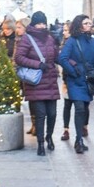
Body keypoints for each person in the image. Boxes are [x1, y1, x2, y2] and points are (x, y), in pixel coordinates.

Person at [59, 14, 94, 153]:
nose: (89, 25)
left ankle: (79, 137)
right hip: (75, 81)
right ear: (79, 25)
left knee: (84, 109)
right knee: (80, 108)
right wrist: (73, 72)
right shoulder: (72, 40)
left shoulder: (92, 41)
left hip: (88, 81)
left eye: (90, 23)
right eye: (86, 23)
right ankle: (78, 140)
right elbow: (62, 58)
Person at [15, 11, 60, 156]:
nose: (42, 26)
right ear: (34, 24)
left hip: (51, 81)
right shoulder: (27, 39)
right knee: (40, 115)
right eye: (39, 23)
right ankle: (40, 143)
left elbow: (57, 57)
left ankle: (49, 137)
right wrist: (37, 64)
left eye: (43, 23)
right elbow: (19, 58)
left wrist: (72, 64)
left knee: (52, 114)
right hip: (37, 83)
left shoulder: (50, 38)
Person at [59, 21, 75, 141]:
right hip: (66, 79)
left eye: (66, 30)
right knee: (67, 105)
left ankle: (84, 127)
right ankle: (66, 129)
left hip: (77, 78)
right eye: (63, 30)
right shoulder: (64, 43)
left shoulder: (75, 43)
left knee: (82, 107)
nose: (64, 32)